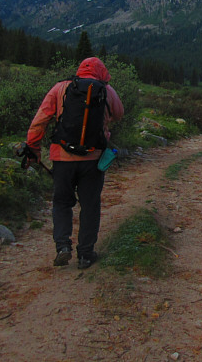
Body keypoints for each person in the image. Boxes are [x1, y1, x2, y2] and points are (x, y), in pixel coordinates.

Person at [24, 57, 125, 269]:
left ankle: (63, 246)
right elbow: (119, 114)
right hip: (93, 158)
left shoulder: (60, 88)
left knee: (62, 202)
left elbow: (40, 121)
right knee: (90, 205)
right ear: (102, 73)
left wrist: (33, 148)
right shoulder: (108, 90)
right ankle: (86, 254)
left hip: (62, 157)